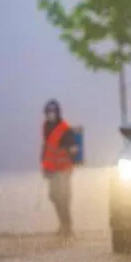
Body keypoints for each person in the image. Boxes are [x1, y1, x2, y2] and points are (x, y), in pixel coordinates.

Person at [41, 99, 79, 237]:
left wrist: (70, 155)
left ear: (57, 112)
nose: (50, 114)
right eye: (48, 112)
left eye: (52, 112)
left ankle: (67, 228)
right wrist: (45, 166)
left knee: (63, 198)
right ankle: (63, 225)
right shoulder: (46, 127)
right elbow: (46, 148)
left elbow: (73, 149)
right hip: (52, 171)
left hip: (63, 170)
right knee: (54, 196)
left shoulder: (65, 129)